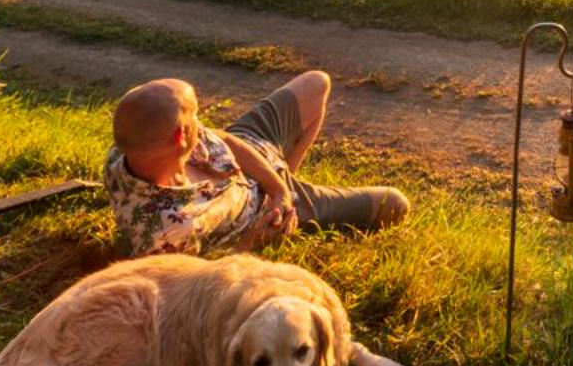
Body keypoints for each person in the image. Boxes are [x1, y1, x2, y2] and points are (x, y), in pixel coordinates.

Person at [104, 72, 410, 257]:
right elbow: (195, 286)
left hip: (254, 151)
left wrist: (280, 188)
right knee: (394, 203)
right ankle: (304, 200)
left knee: (317, 83)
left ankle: (290, 175)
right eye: (195, 115)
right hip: (266, 212)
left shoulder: (134, 148)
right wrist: (254, 240)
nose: (201, 120)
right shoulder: (166, 231)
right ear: (179, 135)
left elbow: (224, 137)